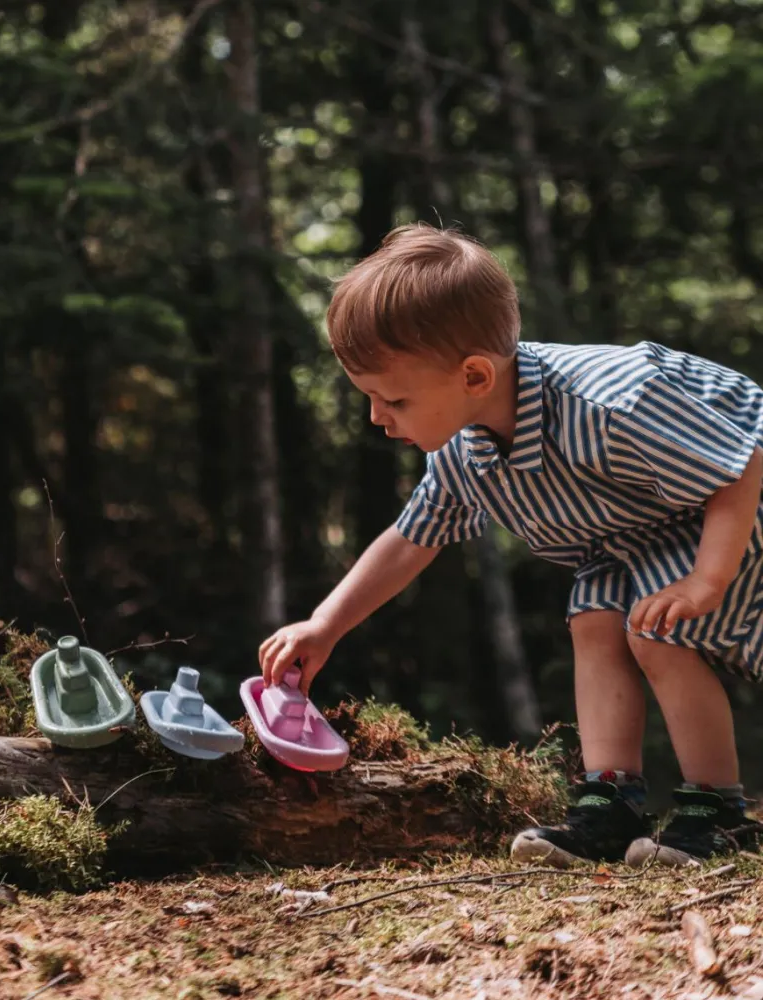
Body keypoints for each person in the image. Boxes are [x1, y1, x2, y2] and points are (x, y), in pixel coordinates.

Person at [258, 223, 763, 868]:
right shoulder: (465, 448)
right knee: (595, 620)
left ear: (473, 375)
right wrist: (325, 625)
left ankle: (718, 813)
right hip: (637, 537)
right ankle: (609, 804)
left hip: (732, 509)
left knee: (652, 629)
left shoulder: (608, 401)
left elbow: (738, 466)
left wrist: (706, 582)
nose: (377, 417)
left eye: (394, 399)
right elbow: (412, 538)